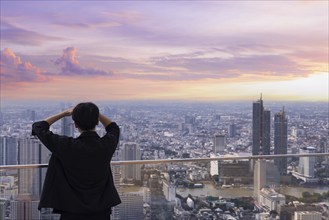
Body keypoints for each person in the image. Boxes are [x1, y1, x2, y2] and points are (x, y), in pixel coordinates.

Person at [32, 102, 121, 220]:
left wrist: (64, 114)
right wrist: (94, 114)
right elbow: (113, 128)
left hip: (71, 210)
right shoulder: (106, 145)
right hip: (101, 211)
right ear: (97, 122)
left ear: (75, 125)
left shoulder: (66, 146)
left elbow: (38, 126)